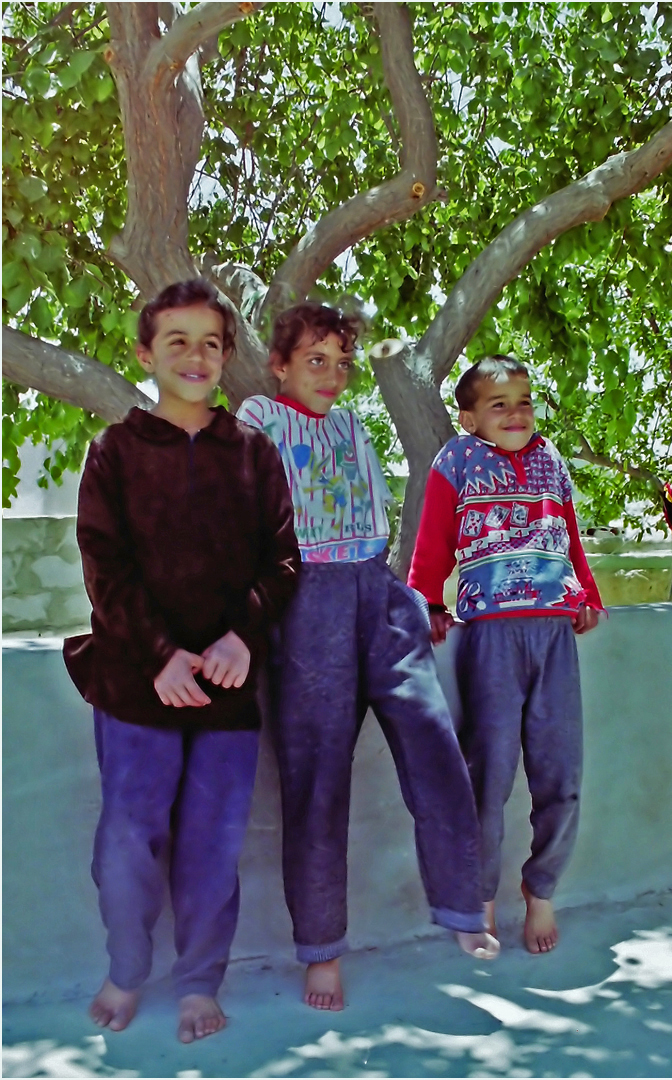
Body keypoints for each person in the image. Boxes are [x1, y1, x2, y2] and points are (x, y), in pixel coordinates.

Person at [237, 302, 498, 1012]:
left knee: (435, 743)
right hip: (308, 599)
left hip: (377, 590)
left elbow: (377, 520)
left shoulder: (353, 426)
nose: (332, 374)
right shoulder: (258, 419)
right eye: (315, 360)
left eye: (342, 362)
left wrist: (413, 601)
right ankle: (322, 951)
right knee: (317, 778)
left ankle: (461, 906)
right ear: (281, 365)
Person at [63, 279, 300, 1042]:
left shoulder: (256, 455)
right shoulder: (116, 453)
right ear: (145, 353)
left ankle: (200, 981)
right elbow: (103, 565)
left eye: (210, 342)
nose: (195, 356)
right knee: (128, 842)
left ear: (227, 356)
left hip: (229, 691)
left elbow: (284, 563)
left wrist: (240, 639)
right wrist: (161, 655)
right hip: (137, 685)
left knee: (212, 845)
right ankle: (127, 968)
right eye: (177, 341)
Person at [408, 355, 604, 954]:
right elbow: (432, 542)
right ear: (469, 417)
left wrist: (587, 594)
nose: (516, 413)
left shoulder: (552, 462)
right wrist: (426, 604)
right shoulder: (457, 461)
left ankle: (539, 890)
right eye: (499, 403)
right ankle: (481, 898)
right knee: (486, 777)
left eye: (524, 399)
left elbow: (569, 536)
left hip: (552, 635)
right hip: (490, 636)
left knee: (561, 773)